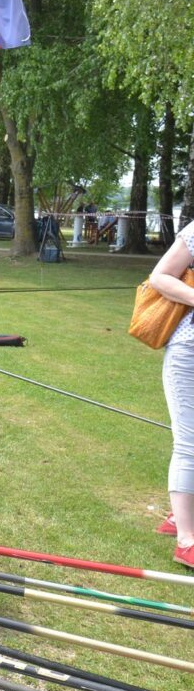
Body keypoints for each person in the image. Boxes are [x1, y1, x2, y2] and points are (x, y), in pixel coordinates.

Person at [149, 226, 194, 568]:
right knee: (190, 443)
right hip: (189, 351)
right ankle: (187, 540)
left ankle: (180, 516)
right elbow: (160, 277)